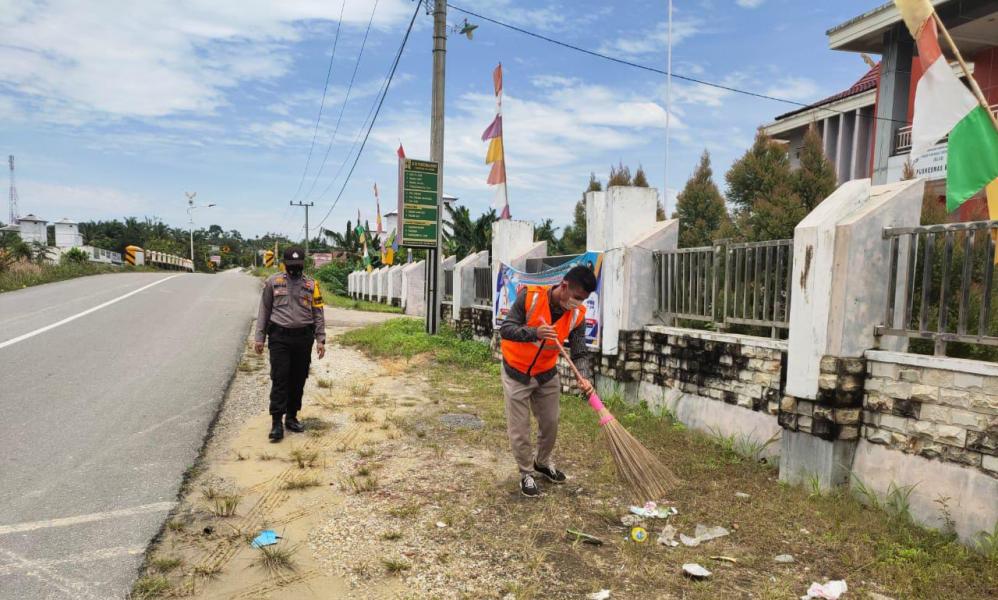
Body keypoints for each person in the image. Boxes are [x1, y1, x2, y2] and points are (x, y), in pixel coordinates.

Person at [498, 265, 598, 497]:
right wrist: (535, 333)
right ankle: (526, 473)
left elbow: (580, 351)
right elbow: (507, 329)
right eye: (577, 297)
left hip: (546, 373)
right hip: (516, 372)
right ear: (564, 287)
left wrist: (584, 376)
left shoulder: (577, 315)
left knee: (550, 422)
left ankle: (541, 463)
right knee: (520, 428)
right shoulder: (530, 297)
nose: (579, 303)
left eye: (583, 299)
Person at [254, 247, 326, 442]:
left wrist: (320, 339)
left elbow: (318, 313)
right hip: (279, 337)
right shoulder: (273, 282)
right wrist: (259, 337)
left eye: (298, 266)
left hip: (303, 338)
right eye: (291, 266)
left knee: (298, 378)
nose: (295, 269)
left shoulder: (312, 284)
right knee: (280, 378)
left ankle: (292, 416)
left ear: (303, 264)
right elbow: (264, 310)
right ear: (284, 264)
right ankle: (276, 422)